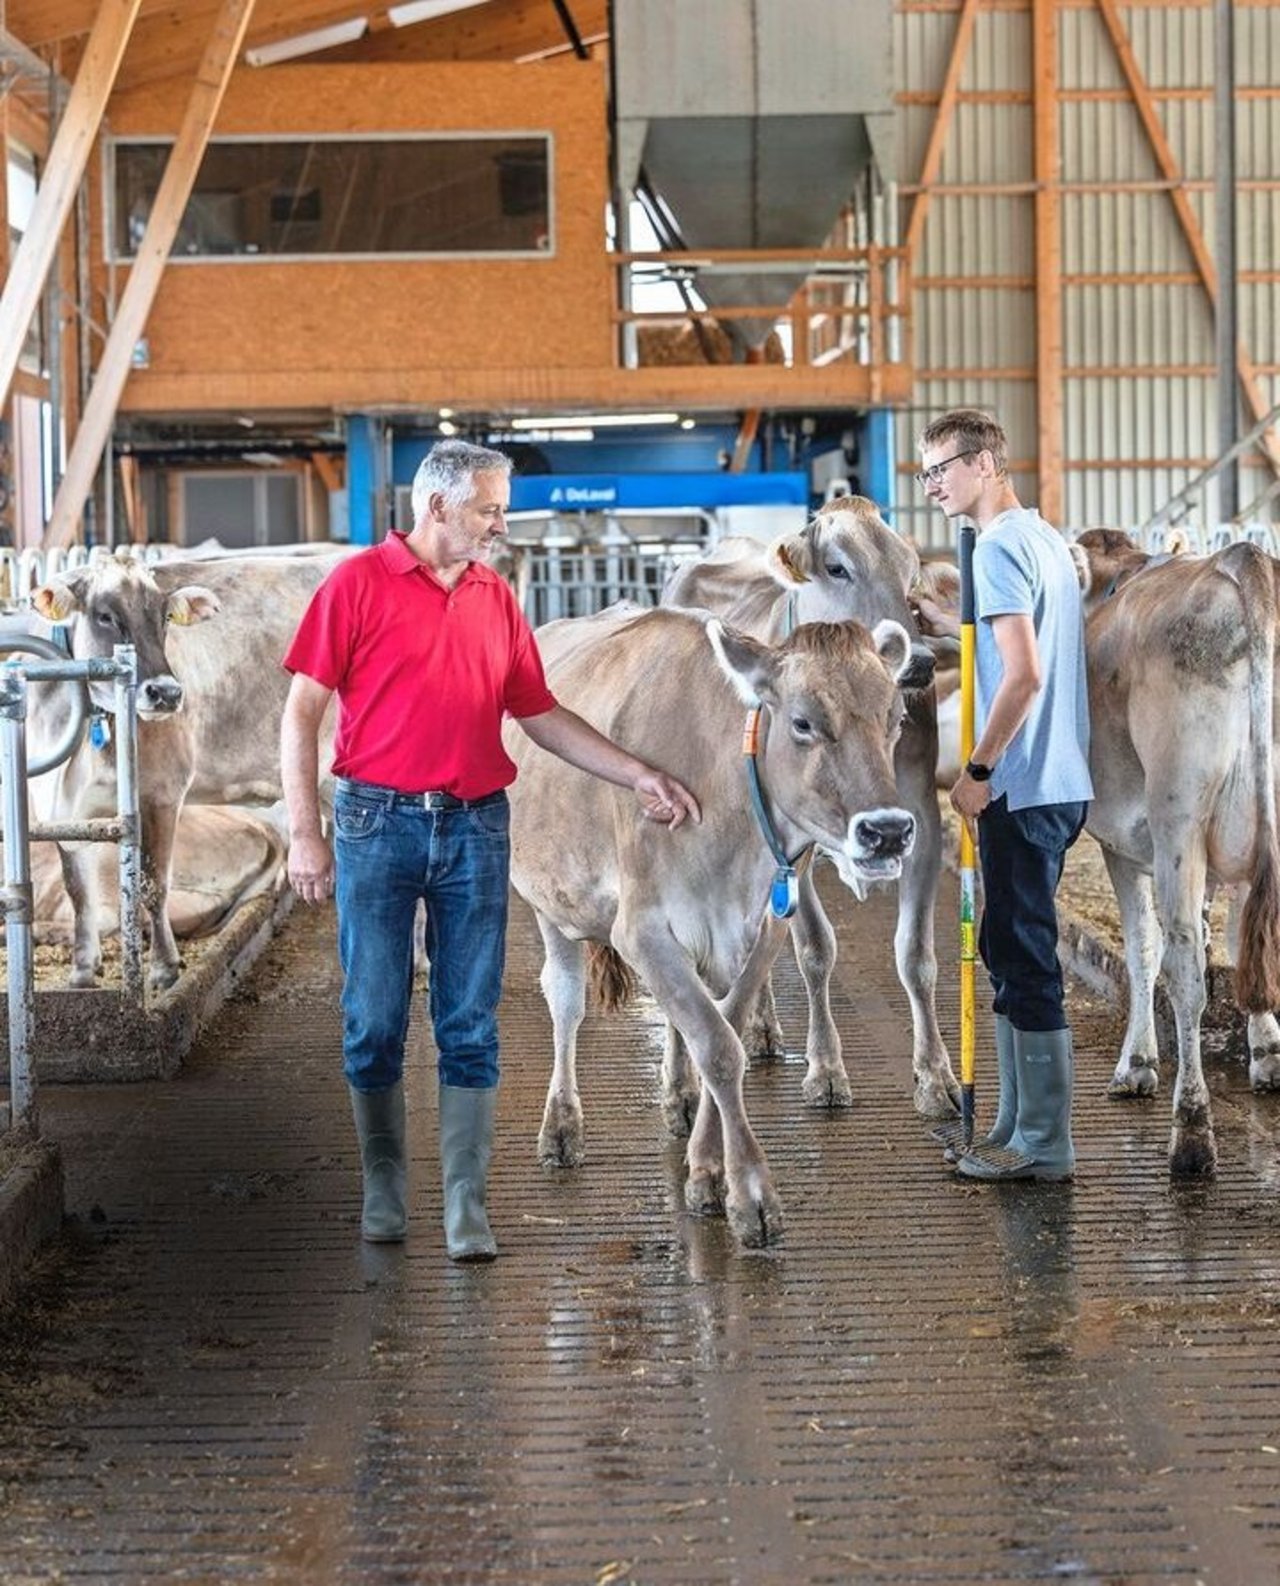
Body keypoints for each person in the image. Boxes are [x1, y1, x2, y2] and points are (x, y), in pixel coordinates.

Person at [280, 440, 700, 1259]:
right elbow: (301, 714)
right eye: (489, 509)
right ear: (438, 507)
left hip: (476, 826)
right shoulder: (355, 586)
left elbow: (540, 712)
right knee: (373, 1017)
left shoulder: (494, 597)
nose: (502, 524)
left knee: (470, 1020)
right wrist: (305, 831)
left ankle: (466, 1204)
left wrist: (636, 771)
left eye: (502, 508)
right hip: (375, 824)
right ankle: (385, 1186)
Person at [910, 409, 1091, 1181]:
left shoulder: (998, 552)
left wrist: (978, 772)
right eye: (926, 474)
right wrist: (960, 625)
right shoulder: (1042, 538)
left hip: (1019, 784)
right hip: (1060, 781)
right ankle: (1018, 1126)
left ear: (985, 463)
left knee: (1023, 958)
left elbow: (1024, 675)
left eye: (943, 467)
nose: (934, 485)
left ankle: (1045, 1145)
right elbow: (1024, 642)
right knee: (1009, 950)